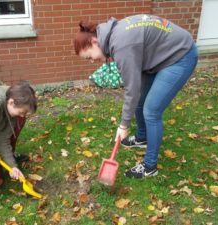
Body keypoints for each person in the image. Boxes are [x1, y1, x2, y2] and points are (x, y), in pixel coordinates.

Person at [74, 14, 198, 179]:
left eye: (89, 56)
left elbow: (131, 89)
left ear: (95, 42)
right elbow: (136, 86)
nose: (92, 61)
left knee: (151, 111)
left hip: (179, 56)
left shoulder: (121, 45)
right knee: (141, 100)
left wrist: (123, 125)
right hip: (158, 56)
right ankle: (142, 138)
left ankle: (149, 166)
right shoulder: (112, 35)